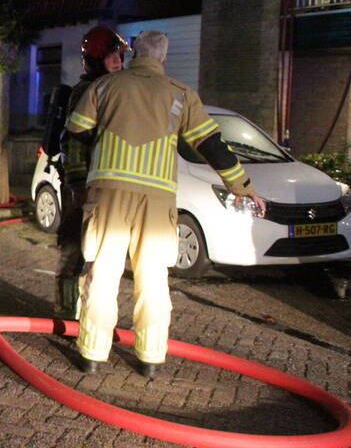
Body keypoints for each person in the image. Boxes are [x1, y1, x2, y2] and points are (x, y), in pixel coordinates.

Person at [65, 30, 264, 378]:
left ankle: (92, 354)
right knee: (153, 279)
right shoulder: (182, 94)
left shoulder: (104, 87)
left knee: (103, 273)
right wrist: (242, 186)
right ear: (164, 58)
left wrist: (80, 177)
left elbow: (77, 131)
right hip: (157, 203)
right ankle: (150, 358)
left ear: (134, 54)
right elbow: (212, 144)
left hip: (109, 195)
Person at [53, 27, 128, 318]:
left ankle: (88, 313)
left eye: (119, 55)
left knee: (98, 251)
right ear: (96, 60)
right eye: (111, 56)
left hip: (105, 182)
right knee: (74, 247)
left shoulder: (118, 88)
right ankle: (66, 312)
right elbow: (72, 140)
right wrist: (76, 183)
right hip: (83, 183)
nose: (117, 60)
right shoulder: (85, 91)